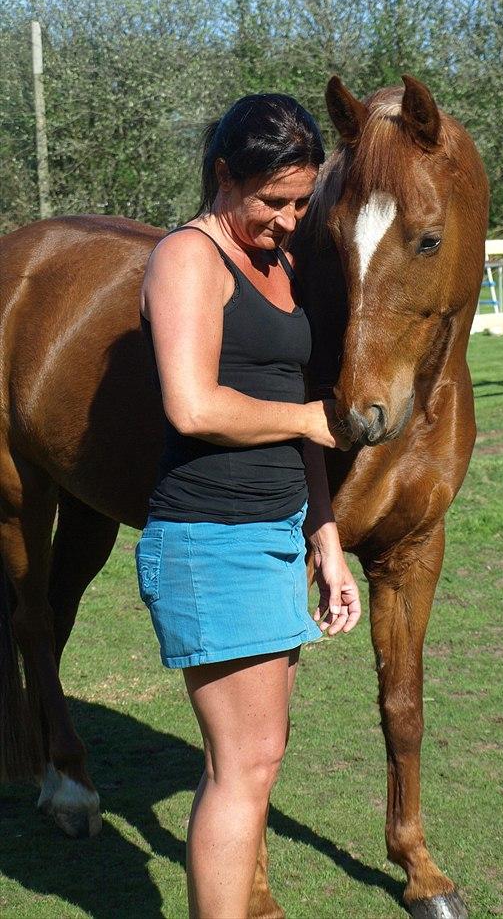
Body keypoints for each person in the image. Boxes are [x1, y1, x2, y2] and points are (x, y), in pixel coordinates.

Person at [136, 93, 361, 918]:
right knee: (245, 765)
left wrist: (325, 537)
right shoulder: (189, 258)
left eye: (301, 202)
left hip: (271, 532)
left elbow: (290, 396)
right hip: (209, 537)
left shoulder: (282, 261)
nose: (289, 220)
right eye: (272, 201)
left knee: (258, 757)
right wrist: (309, 418)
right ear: (225, 175)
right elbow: (192, 405)